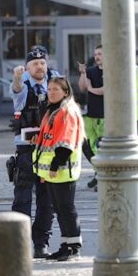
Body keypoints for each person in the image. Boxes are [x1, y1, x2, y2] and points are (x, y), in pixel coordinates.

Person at [33, 76, 85, 261]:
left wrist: (55, 165)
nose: (51, 92)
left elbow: (65, 142)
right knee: (60, 209)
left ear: (65, 91)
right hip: (53, 171)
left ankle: (73, 247)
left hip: (62, 169)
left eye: (56, 89)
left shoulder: (67, 111)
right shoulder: (53, 109)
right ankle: (66, 244)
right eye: (50, 89)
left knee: (66, 209)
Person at [10, 48, 55, 259]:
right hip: (27, 150)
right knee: (22, 199)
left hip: (48, 149)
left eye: (42, 63)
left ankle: (41, 243)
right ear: (27, 67)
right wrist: (17, 78)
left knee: (47, 200)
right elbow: (17, 90)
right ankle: (19, 243)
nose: (40, 66)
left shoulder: (54, 84)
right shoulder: (24, 84)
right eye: (35, 63)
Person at [78, 45, 104, 189]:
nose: (97, 56)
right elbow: (82, 87)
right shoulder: (91, 71)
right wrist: (83, 73)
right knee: (87, 146)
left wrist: (91, 88)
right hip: (90, 115)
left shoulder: (111, 70)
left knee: (102, 147)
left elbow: (106, 90)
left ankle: (102, 175)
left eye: (100, 53)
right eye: (95, 54)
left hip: (105, 116)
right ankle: (98, 171)